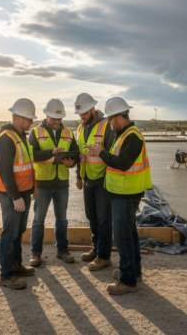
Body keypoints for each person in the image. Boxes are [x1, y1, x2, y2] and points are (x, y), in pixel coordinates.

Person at [84, 97, 152, 295]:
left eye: (111, 119)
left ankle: (127, 280)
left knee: (122, 237)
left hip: (126, 193)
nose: (109, 123)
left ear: (119, 117)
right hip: (122, 192)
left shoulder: (132, 136)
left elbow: (122, 163)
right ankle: (133, 272)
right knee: (129, 235)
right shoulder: (124, 135)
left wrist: (101, 153)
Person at [0, 98, 38, 290]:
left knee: (18, 232)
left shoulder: (21, 136)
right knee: (9, 234)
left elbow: (27, 164)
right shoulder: (6, 139)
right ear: (19, 118)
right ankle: (7, 275)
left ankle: (16, 265)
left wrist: (33, 186)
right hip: (11, 195)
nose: (32, 124)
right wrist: (16, 196)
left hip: (23, 192)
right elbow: (5, 171)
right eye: (29, 120)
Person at [28, 99, 79, 267]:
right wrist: (52, 152)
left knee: (62, 219)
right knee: (38, 220)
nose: (57, 121)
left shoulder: (69, 132)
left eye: (59, 118)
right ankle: (35, 253)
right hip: (42, 184)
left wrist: (72, 163)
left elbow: (76, 155)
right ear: (46, 115)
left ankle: (62, 250)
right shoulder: (36, 132)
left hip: (62, 184)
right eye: (53, 118)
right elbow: (32, 155)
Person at [73, 93, 116, 271]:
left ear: (92, 109)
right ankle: (97, 249)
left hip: (103, 180)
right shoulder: (81, 128)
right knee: (92, 217)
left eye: (84, 113)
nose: (82, 117)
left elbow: (113, 154)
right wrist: (78, 176)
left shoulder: (106, 126)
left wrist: (109, 179)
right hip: (88, 180)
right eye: (79, 114)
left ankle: (104, 256)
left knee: (104, 220)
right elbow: (81, 155)